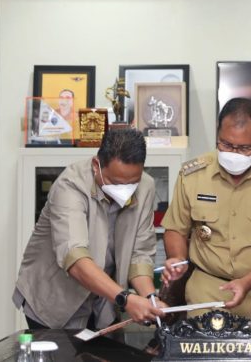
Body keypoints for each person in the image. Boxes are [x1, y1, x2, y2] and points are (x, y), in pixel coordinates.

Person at [161, 98, 251, 328]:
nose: (233, 153)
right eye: (226, 144)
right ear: (217, 133)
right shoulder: (193, 173)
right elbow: (175, 229)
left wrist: (246, 283)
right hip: (207, 292)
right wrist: (178, 259)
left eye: (244, 148)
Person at [14, 128, 165, 329]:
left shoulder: (146, 186)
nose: (125, 190)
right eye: (116, 183)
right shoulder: (70, 185)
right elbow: (75, 257)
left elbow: (140, 254)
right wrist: (126, 299)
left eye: (132, 184)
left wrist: (150, 299)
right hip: (54, 300)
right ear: (96, 165)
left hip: (104, 301)